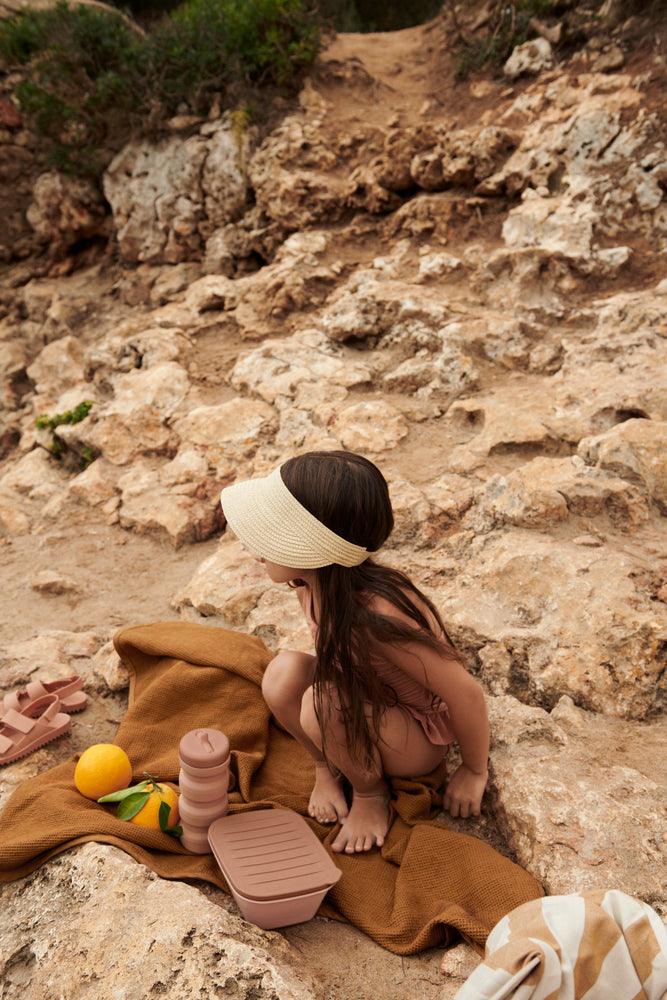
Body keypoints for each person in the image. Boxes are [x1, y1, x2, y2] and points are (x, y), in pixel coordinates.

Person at [219, 450, 490, 856]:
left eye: (272, 535)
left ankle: (369, 793)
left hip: (413, 730)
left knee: (321, 703)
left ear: (310, 548)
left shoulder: (374, 617)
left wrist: (473, 769)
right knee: (282, 673)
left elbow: (463, 692)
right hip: (363, 697)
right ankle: (327, 766)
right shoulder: (310, 584)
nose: (254, 547)